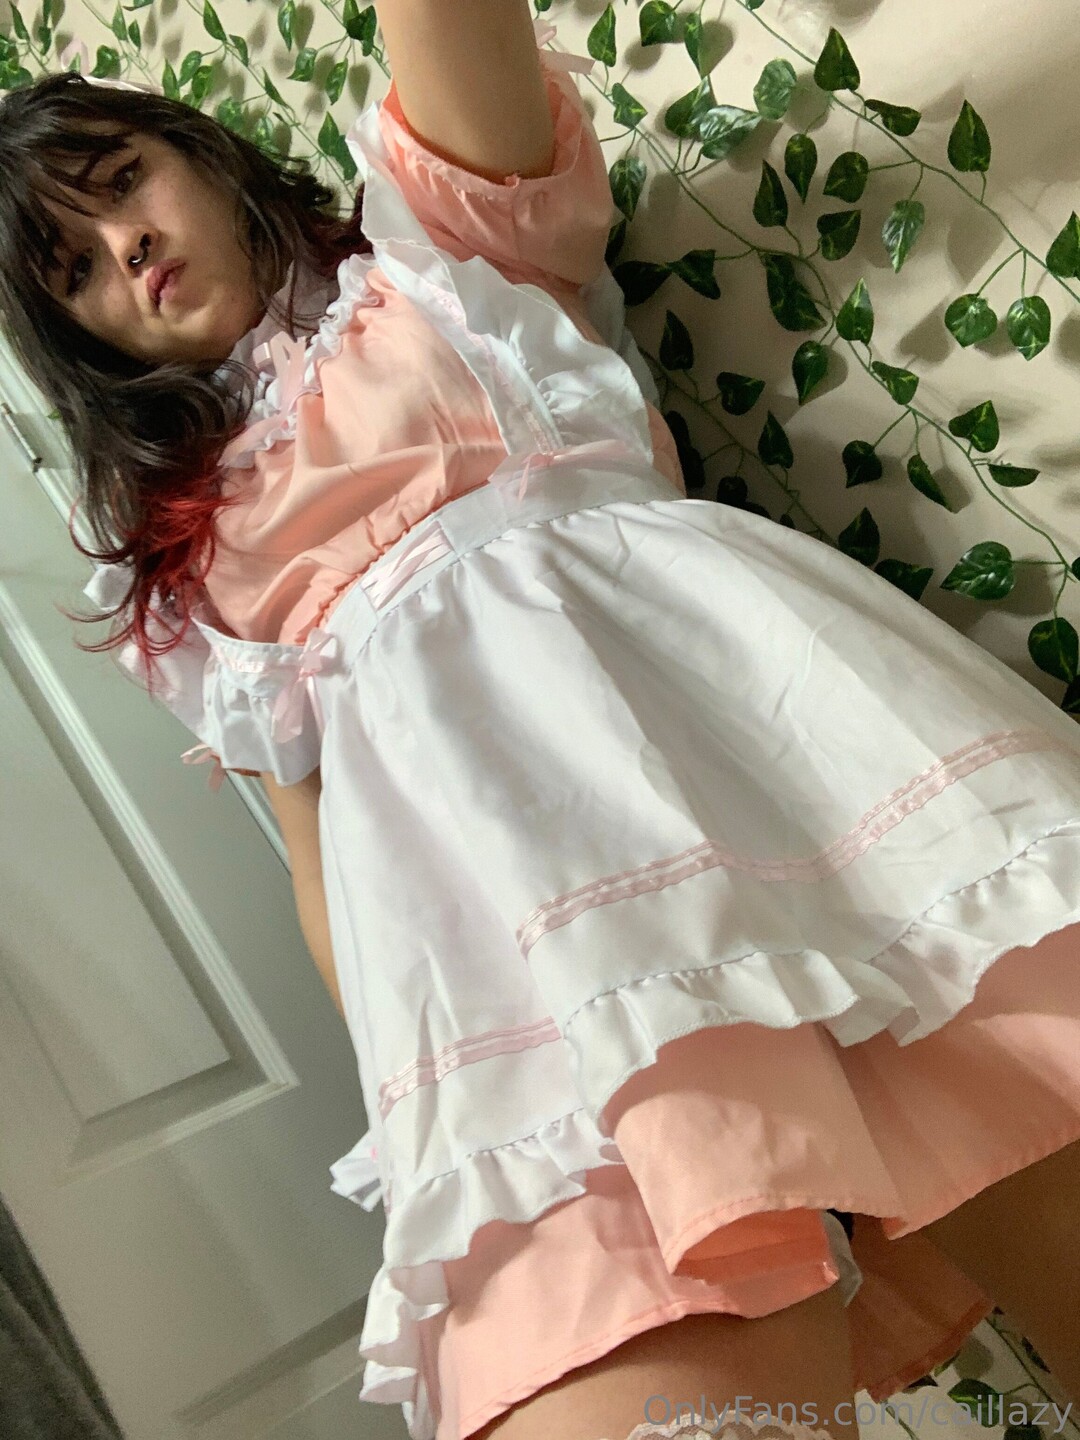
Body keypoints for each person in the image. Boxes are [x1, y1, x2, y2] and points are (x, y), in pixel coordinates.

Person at [1, 2, 1079, 1438]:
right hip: (517, 986)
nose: (123, 248)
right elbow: (320, 863)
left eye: (123, 181)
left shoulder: (437, 259)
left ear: (198, 151)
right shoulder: (189, 567)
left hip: (803, 792)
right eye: (73, 268)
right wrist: (426, 1107)